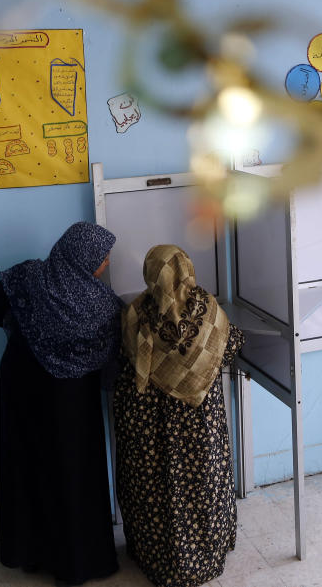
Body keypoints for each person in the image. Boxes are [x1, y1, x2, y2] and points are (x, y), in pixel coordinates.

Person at [0, 221, 121, 586]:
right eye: (102, 256)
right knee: (74, 475)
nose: (106, 263)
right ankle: (77, 565)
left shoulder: (27, 276)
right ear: (85, 258)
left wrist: (27, 327)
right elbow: (115, 355)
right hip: (70, 403)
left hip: (21, 390)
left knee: (28, 467)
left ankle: (31, 554)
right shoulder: (103, 307)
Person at [114, 244, 245, 587]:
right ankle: (205, 554)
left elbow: (122, 355)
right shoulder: (208, 310)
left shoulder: (135, 313)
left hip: (147, 423)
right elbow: (228, 347)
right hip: (197, 420)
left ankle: (154, 556)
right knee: (201, 481)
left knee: (153, 485)